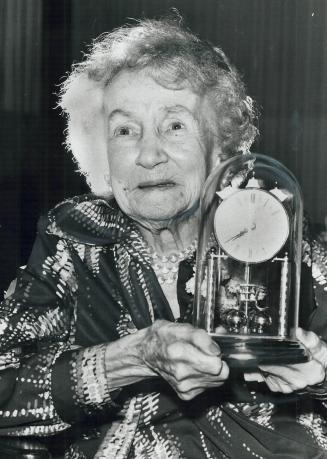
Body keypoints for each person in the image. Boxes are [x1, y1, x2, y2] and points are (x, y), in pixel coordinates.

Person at [1, 15, 327, 458]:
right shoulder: (75, 240)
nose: (149, 155)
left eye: (174, 126)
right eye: (124, 131)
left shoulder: (282, 240)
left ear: (220, 147)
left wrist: (322, 377)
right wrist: (128, 359)